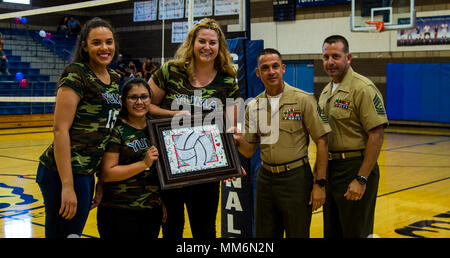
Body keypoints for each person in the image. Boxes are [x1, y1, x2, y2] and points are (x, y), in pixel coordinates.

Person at [148, 18, 240, 238]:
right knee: (171, 228)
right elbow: (144, 106)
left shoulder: (227, 79)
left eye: (212, 43)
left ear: (220, 47)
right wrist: (173, 114)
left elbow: (231, 125)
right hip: (170, 168)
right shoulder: (171, 71)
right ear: (192, 42)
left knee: (205, 229)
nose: (207, 47)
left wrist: (232, 160)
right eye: (202, 41)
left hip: (206, 169)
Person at [36, 18, 121, 238]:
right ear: (84, 45)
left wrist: (101, 179)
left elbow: (109, 133)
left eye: (109, 42)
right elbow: (60, 130)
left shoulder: (114, 78)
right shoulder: (76, 73)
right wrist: (67, 185)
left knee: (73, 234)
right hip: (61, 173)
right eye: (96, 43)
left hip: (86, 172)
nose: (104, 48)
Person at [231, 48, 331, 238]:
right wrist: (236, 140)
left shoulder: (304, 100)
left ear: (283, 68)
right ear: (258, 73)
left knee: (297, 233)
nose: (271, 72)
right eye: (265, 68)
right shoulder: (253, 106)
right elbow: (249, 150)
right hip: (265, 179)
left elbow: (322, 141)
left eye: (275, 66)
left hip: (296, 178)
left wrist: (320, 184)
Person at [318, 35, 388, 238]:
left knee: (355, 232)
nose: (330, 62)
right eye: (325, 57)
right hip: (331, 170)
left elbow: (376, 135)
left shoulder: (362, 88)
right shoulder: (326, 91)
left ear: (348, 58)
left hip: (354, 168)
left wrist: (361, 178)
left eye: (335, 56)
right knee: (333, 231)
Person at [97, 78, 166, 239]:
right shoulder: (117, 130)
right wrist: (143, 163)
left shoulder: (156, 128)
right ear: (124, 100)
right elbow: (108, 173)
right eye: (133, 97)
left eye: (144, 97)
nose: (139, 102)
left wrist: (162, 202)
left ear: (150, 99)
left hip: (151, 209)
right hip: (119, 210)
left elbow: (162, 173)